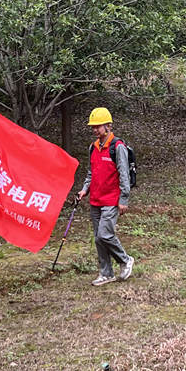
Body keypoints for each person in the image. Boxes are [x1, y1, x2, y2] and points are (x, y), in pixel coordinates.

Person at [77, 107, 135, 286]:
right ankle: (106, 273)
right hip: (95, 198)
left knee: (105, 234)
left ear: (108, 125)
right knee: (98, 238)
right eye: (93, 127)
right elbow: (90, 172)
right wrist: (84, 189)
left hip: (111, 199)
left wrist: (124, 199)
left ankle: (125, 260)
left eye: (98, 126)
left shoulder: (117, 147)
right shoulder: (93, 147)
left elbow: (124, 174)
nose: (95, 130)